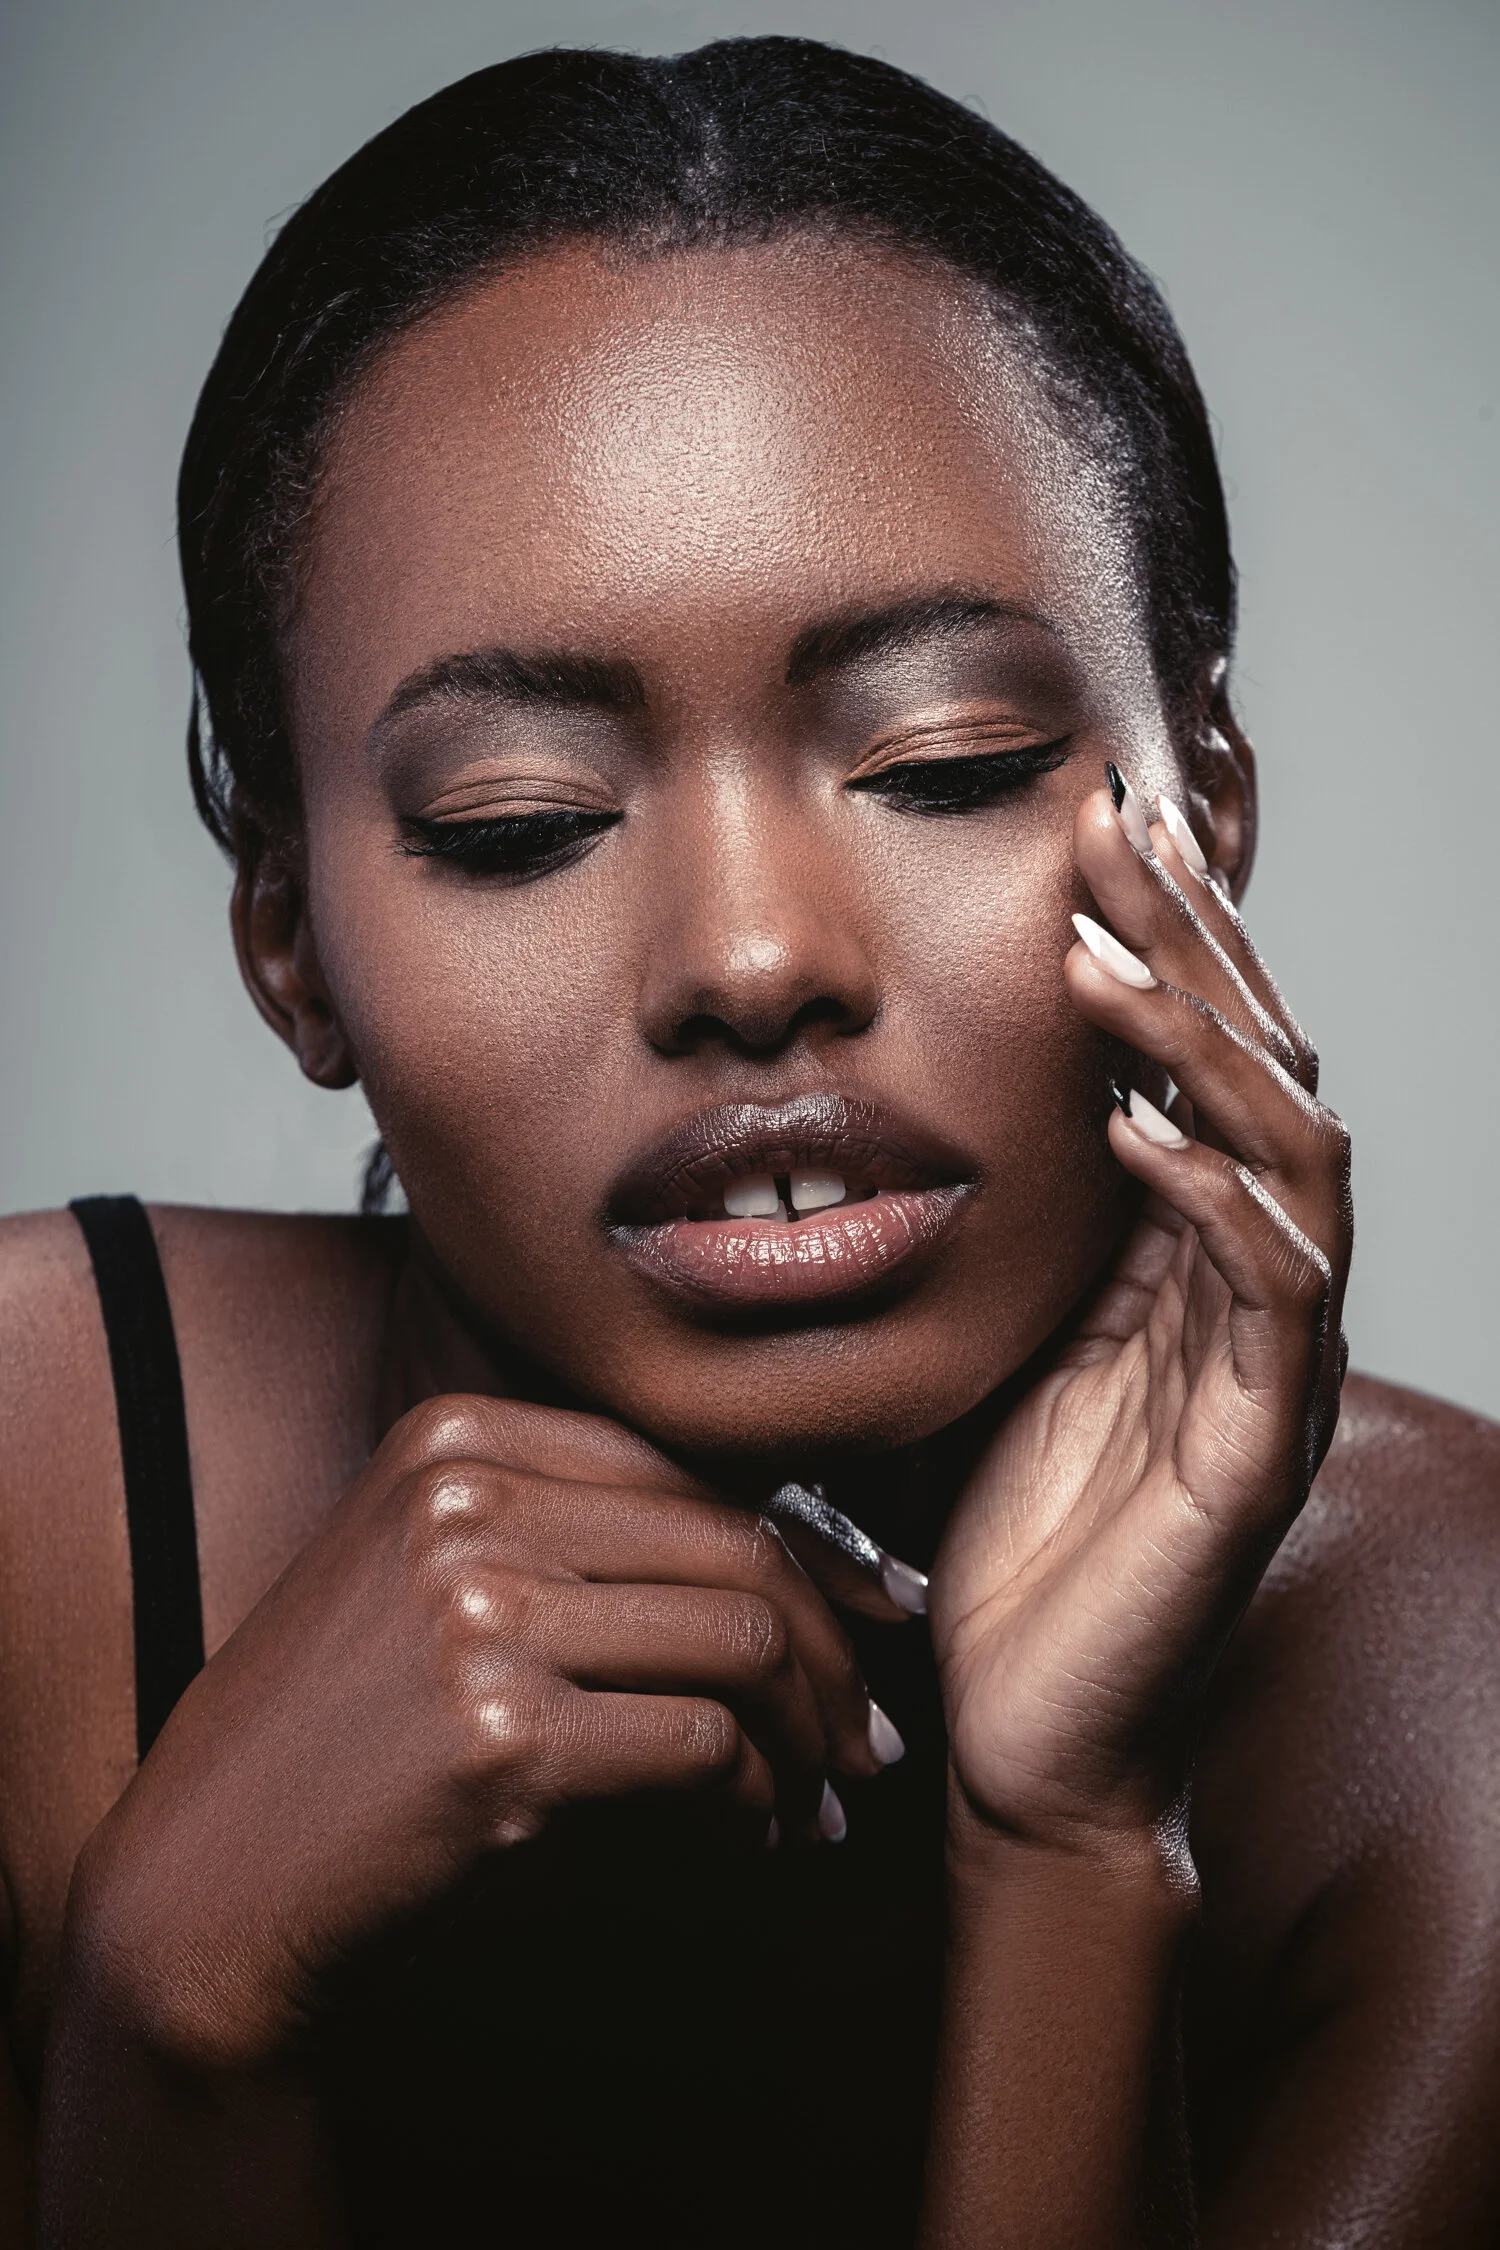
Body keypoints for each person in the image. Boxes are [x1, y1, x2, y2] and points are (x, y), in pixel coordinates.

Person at [2, 36, 1496, 2248]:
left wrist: (1073, 1849)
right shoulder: (36, 1491)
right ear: (294, 948)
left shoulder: (1439, 1680)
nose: (755, 955)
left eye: (944, 758)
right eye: (521, 822)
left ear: (1210, 815)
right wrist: (178, 1995)